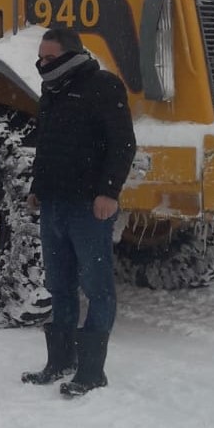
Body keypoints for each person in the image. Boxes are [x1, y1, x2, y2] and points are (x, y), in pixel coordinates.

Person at [22, 27, 136, 397]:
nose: (42, 63)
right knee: (60, 286)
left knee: (97, 288)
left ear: (72, 55)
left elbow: (123, 144)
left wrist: (108, 192)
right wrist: (38, 189)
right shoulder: (51, 90)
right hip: (53, 205)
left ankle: (91, 371)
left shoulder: (103, 85)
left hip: (89, 208)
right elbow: (47, 144)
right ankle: (60, 362)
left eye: (49, 57)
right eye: (40, 57)